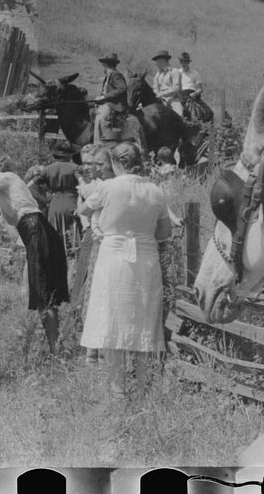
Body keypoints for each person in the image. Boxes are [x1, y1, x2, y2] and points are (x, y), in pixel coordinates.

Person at [79, 142, 173, 400]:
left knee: (112, 318)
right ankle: (142, 390)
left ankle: (118, 389)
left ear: (117, 163)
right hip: (146, 259)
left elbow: (83, 210)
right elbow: (165, 232)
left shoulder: (107, 188)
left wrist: (104, 220)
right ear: (139, 161)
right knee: (145, 320)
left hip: (113, 257)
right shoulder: (156, 190)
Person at [0, 147, 69, 352]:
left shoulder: (4, 177)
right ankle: (56, 347)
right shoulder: (5, 190)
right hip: (38, 232)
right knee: (45, 295)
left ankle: (56, 349)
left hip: (36, 231)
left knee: (44, 295)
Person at [72, 143, 114, 365]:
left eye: (97, 163)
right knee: (90, 292)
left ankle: (101, 351)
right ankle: (93, 350)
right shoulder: (98, 185)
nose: (91, 167)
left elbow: (85, 206)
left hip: (105, 242)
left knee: (101, 295)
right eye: (88, 163)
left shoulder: (102, 187)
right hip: (96, 240)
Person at [38, 141, 83, 258]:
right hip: (71, 203)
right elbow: (83, 185)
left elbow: (30, 186)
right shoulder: (75, 168)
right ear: (70, 155)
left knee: (55, 236)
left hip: (55, 204)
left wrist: (44, 200)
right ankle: (73, 262)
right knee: (74, 236)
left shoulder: (48, 169)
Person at [92, 53, 128, 144]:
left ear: (106, 64)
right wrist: (99, 96)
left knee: (100, 117)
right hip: (108, 102)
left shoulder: (116, 74)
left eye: (103, 64)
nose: (102, 66)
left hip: (115, 104)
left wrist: (104, 97)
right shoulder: (108, 76)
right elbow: (105, 90)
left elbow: (122, 88)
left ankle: (100, 143)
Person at [152, 50, 184, 117]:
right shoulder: (157, 75)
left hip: (173, 100)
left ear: (162, 61)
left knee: (179, 115)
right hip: (160, 101)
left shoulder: (174, 71)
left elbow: (176, 88)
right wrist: (157, 94)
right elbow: (155, 88)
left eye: (157, 61)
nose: (155, 64)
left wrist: (163, 93)